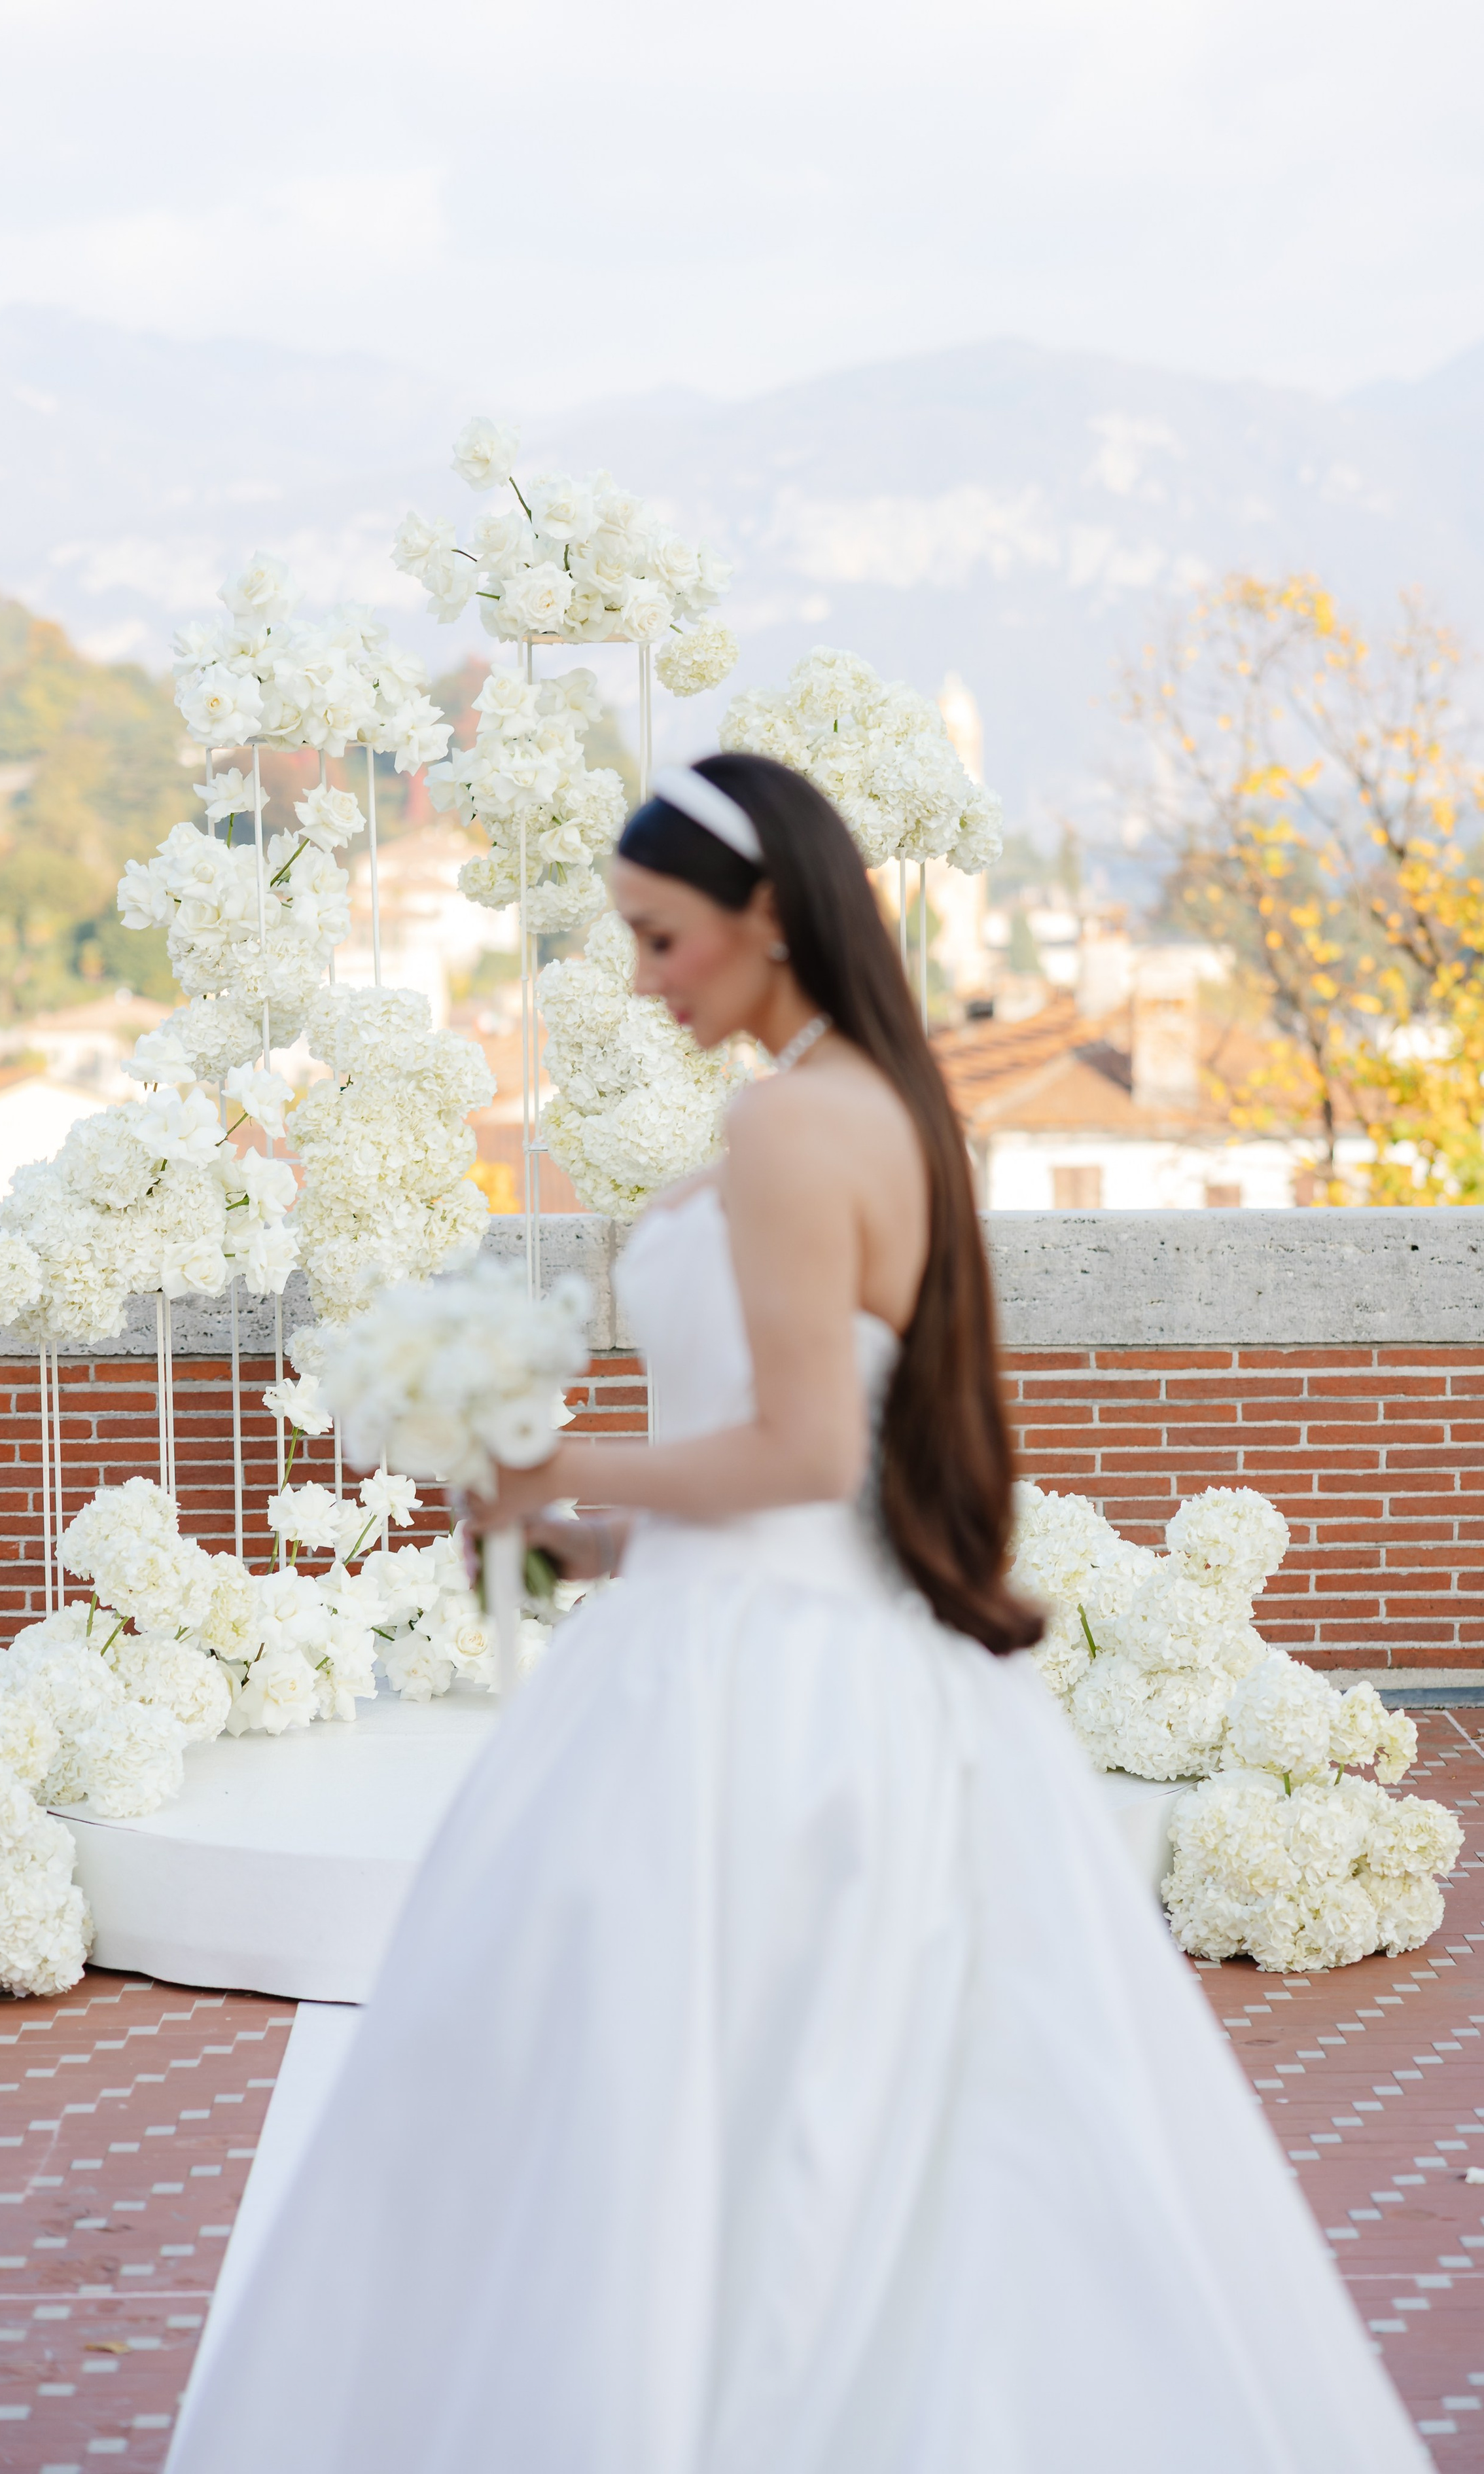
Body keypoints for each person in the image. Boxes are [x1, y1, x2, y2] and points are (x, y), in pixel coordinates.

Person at [168, 755, 1425, 2473]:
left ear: (767, 915)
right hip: (817, 1648)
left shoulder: (787, 1122)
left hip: (753, 1703)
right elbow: (822, 1486)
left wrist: (535, 1461)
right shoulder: (887, 1105)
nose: (641, 978)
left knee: (674, 2113)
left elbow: (801, 1442)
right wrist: (595, 1539)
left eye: (661, 936)